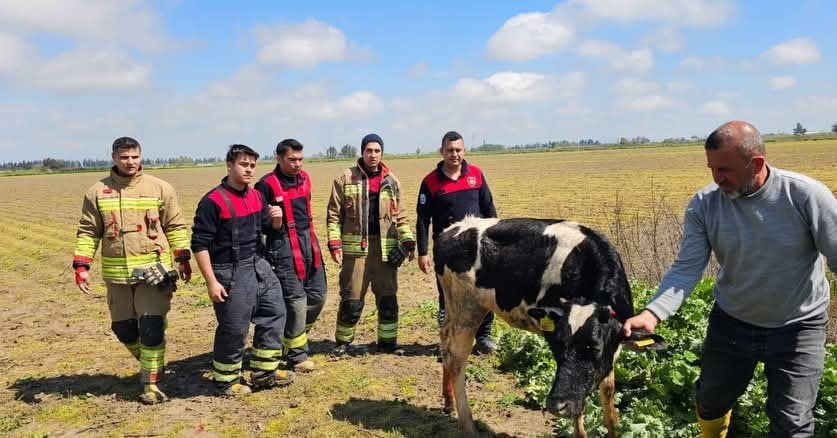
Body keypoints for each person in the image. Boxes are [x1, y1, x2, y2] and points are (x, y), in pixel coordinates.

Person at [622, 121, 837, 437]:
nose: (717, 178)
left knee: (793, 422)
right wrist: (653, 313)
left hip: (798, 327)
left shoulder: (806, 196)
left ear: (757, 163)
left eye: (725, 169)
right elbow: (687, 267)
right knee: (710, 401)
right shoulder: (704, 204)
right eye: (712, 168)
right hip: (733, 323)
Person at [73, 136, 191, 404]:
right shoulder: (96, 192)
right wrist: (82, 264)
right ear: (114, 158)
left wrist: (182, 257)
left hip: (154, 273)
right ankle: (154, 362)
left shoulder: (160, 188)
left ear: (141, 157)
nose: (130, 162)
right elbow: (89, 231)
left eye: (135, 157)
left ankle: (152, 384)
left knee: (151, 328)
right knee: (123, 329)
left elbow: (175, 225)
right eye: (124, 157)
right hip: (117, 277)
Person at [191, 144, 294, 396]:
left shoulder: (257, 196)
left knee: (276, 312)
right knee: (234, 326)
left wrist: (277, 220)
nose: (249, 170)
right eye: (243, 164)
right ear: (229, 165)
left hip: (258, 264)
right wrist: (211, 282)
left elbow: (269, 230)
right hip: (229, 270)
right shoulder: (212, 201)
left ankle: (263, 371)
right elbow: (199, 244)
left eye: (252, 165)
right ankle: (226, 379)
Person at [326, 133, 416, 356]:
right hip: (355, 252)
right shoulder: (345, 179)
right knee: (352, 299)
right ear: (362, 152)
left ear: (382, 153)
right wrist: (335, 244)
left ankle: (387, 343)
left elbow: (401, 217)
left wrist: (408, 242)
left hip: (385, 250)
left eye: (377, 151)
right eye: (369, 150)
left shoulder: (392, 181)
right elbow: (333, 216)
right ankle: (343, 344)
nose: (373, 155)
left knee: (388, 298)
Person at [416, 130, 498, 354]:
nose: (454, 154)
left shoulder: (476, 176)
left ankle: (484, 337)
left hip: (478, 249)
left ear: (465, 151)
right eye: (450, 150)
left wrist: (496, 243)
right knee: (448, 295)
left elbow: (490, 210)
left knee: (483, 293)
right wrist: (422, 252)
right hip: (447, 252)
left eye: (458, 150)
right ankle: (449, 338)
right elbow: (423, 220)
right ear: (441, 151)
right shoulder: (430, 182)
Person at [255, 139, 327, 373]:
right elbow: (258, 224)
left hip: (309, 240)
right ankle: (297, 356)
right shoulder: (265, 185)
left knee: (317, 295)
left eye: (300, 159)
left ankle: (291, 338)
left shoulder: (305, 178)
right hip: (282, 245)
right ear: (279, 158)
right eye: (292, 160)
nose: (297, 164)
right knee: (296, 301)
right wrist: (273, 223)